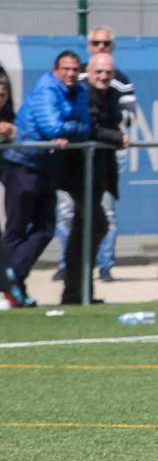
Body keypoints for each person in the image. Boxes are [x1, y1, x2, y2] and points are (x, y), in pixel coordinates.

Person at [5, 51, 88, 306]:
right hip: (23, 163)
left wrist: (70, 131)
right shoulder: (47, 89)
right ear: (55, 70)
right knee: (17, 229)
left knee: (46, 228)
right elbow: (52, 127)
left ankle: (13, 278)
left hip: (47, 167)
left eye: (75, 69)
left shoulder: (80, 92)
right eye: (66, 69)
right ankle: (11, 285)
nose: (71, 74)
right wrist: (72, 129)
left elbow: (87, 127)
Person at [54, 27, 135, 285]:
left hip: (103, 163)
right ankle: (72, 272)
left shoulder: (117, 84)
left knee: (101, 217)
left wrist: (116, 131)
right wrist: (115, 136)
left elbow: (127, 116)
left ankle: (100, 268)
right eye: (96, 42)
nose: (101, 46)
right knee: (75, 217)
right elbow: (88, 124)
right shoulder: (78, 85)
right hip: (76, 166)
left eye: (106, 43)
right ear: (88, 47)